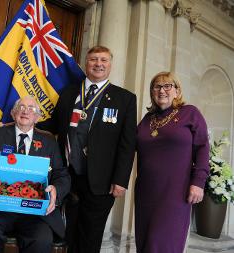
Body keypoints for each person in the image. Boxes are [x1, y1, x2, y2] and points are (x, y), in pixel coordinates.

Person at [39, 45, 137, 253]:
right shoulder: (69, 92)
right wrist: (20, 121)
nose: (98, 64)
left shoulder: (125, 99)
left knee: (90, 235)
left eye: (103, 60)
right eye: (93, 60)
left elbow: (127, 144)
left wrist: (120, 180)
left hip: (101, 180)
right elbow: (54, 124)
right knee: (67, 230)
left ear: (110, 65)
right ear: (86, 63)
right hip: (66, 175)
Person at [0, 96, 70, 253]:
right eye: (21, 107)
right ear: (13, 114)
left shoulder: (49, 141)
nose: (25, 111)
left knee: (42, 240)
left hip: (35, 213)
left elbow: (62, 175)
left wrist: (57, 190)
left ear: (37, 117)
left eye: (31, 109)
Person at [135, 71, 209, 253]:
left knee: (161, 244)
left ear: (177, 91)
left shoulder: (190, 113)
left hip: (175, 193)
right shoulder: (147, 120)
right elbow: (127, 146)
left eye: (168, 86)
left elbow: (202, 148)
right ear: (152, 92)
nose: (162, 90)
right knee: (144, 242)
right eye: (157, 86)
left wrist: (198, 182)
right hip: (146, 192)